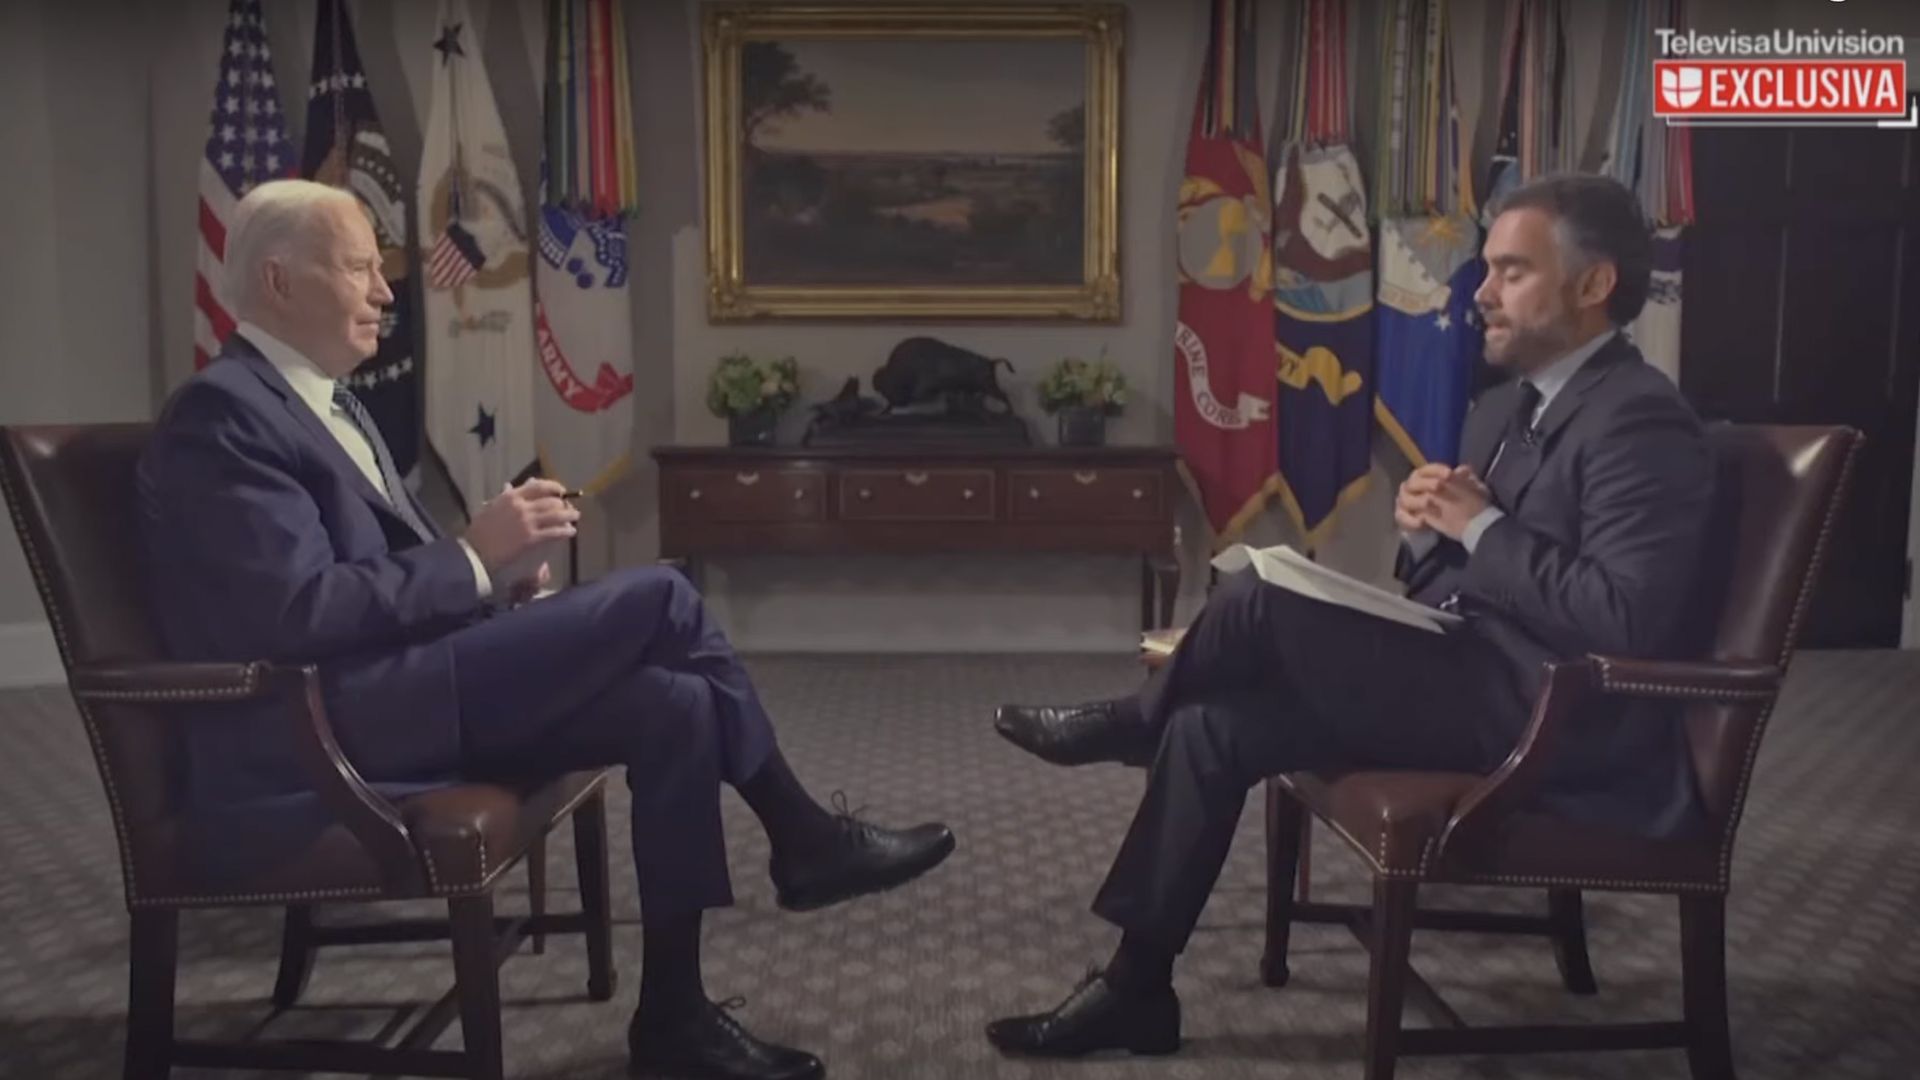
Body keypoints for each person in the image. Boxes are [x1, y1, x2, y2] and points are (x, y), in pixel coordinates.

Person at [138, 179, 953, 1080]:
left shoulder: (333, 402)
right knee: (660, 598)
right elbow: (291, 614)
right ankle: (804, 839)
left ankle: (676, 1018)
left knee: (672, 706)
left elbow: (362, 585)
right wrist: (472, 560)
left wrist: (491, 592)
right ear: (280, 282)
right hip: (319, 727)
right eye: (363, 268)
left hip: (397, 688)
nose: (385, 292)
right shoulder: (224, 415)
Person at [985, 173, 1715, 1058]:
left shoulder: (1640, 418)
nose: (1478, 293)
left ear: (1594, 285)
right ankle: (1136, 986)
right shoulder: (1505, 409)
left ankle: (1138, 719)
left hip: (1555, 716)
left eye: (1510, 272)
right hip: (1472, 673)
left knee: (1255, 596)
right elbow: (1452, 578)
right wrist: (1427, 528)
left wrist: (1478, 525)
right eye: (1484, 269)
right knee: (1214, 725)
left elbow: (1626, 622)